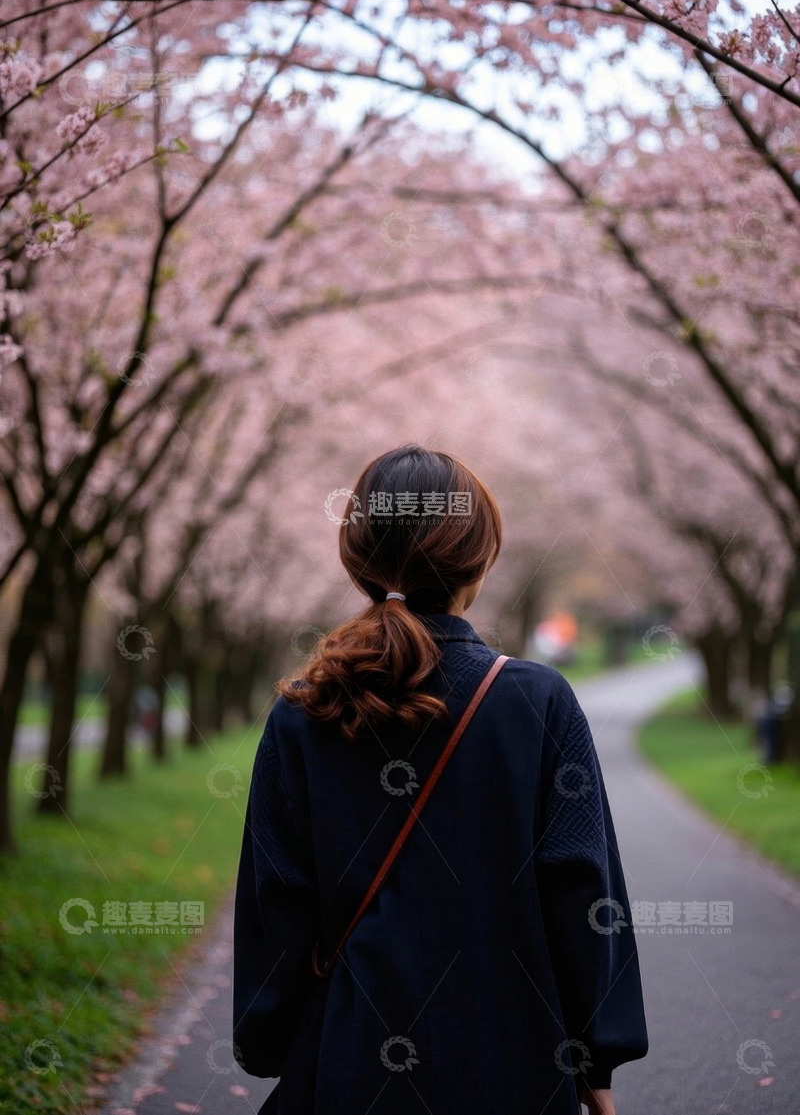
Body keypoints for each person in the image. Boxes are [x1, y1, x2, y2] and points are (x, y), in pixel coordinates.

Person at [233, 444, 648, 1115]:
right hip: (516, 1061)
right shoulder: (538, 701)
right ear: (480, 558)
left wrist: (274, 1039)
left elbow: (276, 898)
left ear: (357, 557)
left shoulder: (304, 713)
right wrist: (595, 1057)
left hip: (348, 1060)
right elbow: (580, 887)